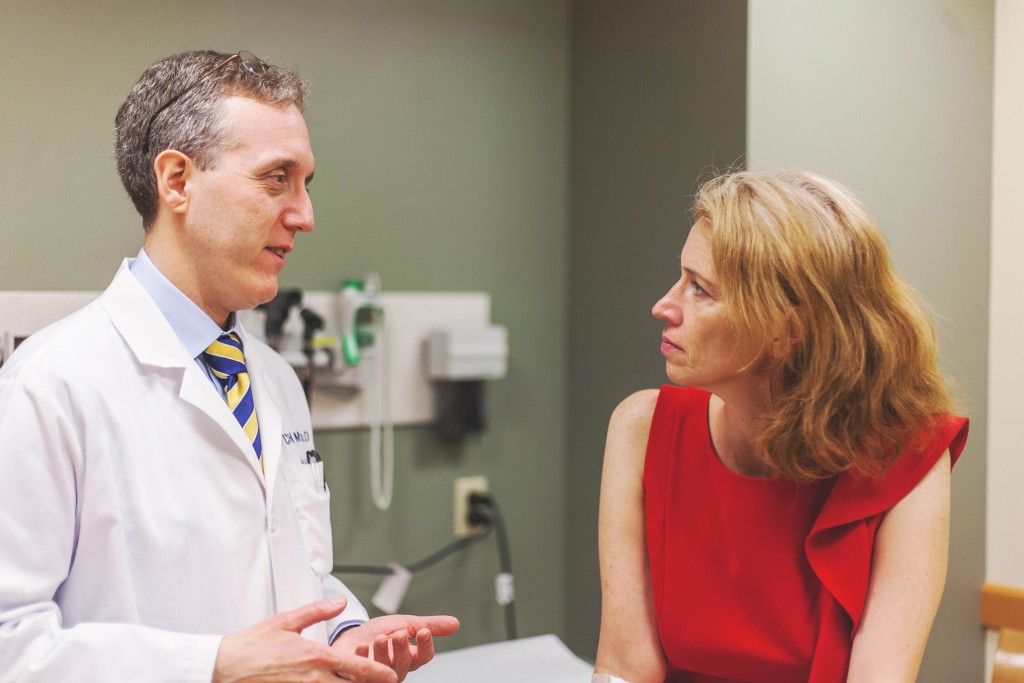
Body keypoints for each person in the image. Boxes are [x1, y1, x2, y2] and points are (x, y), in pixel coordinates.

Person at [0, 49, 458, 682]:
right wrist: (211, 665)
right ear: (177, 181)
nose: (305, 215)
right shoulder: (48, 386)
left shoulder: (273, 379)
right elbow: (11, 641)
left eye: (307, 183)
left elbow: (290, 566)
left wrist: (343, 633)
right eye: (276, 178)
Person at [592, 169, 969, 683]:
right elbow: (624, 667)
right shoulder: (641, 428)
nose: (664, 307)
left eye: (700, 290)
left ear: (786, 330)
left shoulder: (907, 460)